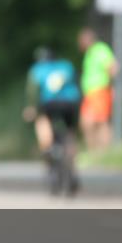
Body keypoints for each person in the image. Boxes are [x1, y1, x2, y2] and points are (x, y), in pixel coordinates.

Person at [23, 47, 81, 193]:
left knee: (41, 121)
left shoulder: (37, 69)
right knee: (69, 133)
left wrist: (30, 108)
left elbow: (32, 91)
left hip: (49, 104)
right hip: (70, 104)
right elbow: (77, 83)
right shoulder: (66, 66)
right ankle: (71, 164)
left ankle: (47, 147)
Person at [77, 27, 118, 149]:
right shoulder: (89, 53)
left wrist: (112, 86)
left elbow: (112, 67)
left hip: (100, 91)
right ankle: (94, 149)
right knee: (86, 122)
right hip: (90, 93)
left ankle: (104, 150)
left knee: (100, 121)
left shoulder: (100, 49)